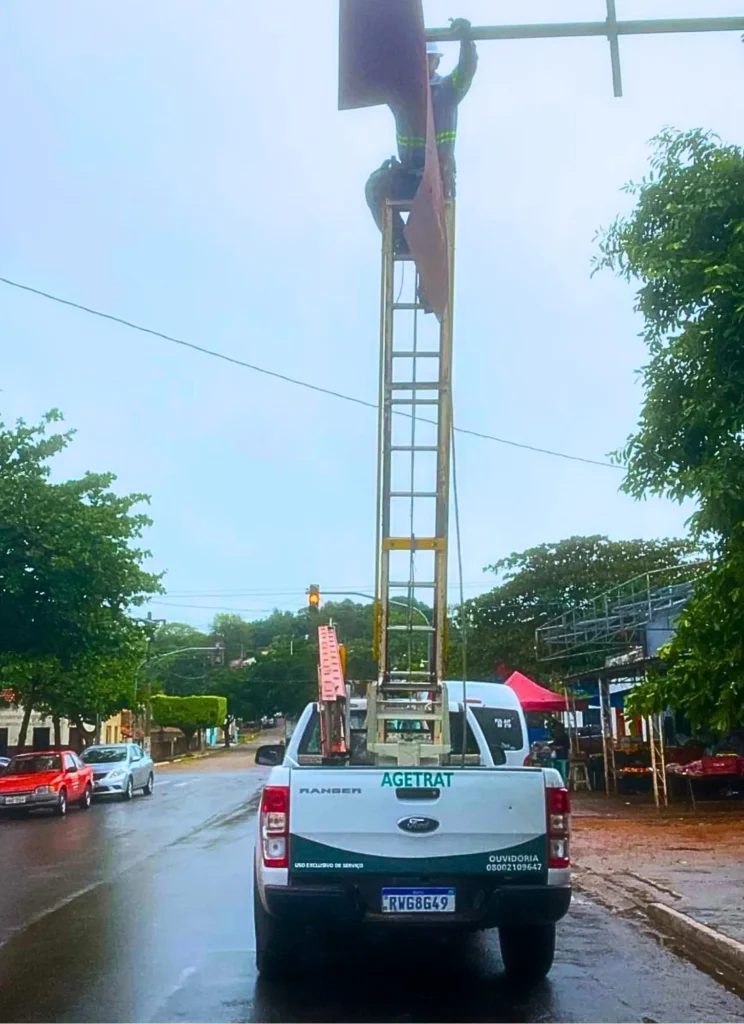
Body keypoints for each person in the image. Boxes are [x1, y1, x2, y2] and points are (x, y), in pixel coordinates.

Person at [365, 17, 478, 254]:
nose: (425, 64)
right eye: (421, 58)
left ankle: (423, 248)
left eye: (429, 59)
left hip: (436, 180)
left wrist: (466, 40)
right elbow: (382, 73)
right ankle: (402, 241)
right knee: (376, 187)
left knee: (434, 241)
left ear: (436, 62)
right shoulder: (402, 94)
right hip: (410, 178)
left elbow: (466, 71)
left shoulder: (447, 91)